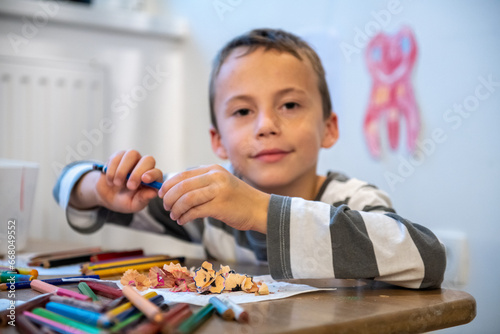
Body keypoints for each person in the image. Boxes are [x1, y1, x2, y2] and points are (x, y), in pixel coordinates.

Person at [53, 28, 445, 289]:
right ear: (218, 141)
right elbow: (67, 184)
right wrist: (100, 190)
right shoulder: (206, 204)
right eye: (242, 112)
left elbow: (426, 257)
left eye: (290, 104)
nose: (266, 125)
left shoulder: (352, 201)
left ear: (328, 127)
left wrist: (259, 211)